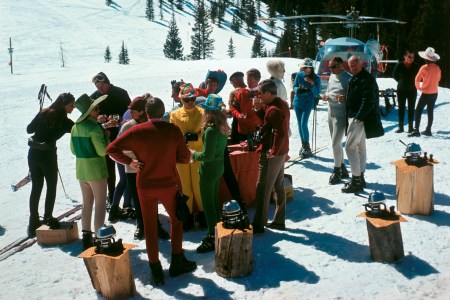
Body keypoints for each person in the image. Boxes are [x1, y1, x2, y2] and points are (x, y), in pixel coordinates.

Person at [106, 97, 196, 286]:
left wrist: (130, 162)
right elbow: (184, 157)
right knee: (176, 220)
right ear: (163, 113)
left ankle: (155, 269)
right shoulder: (173, 130)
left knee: (149, 226)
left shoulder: (137, 130)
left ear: (146, 113)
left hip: (145, 184)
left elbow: (111, 149)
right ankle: (177, 261)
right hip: (169, 184)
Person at [116, 95, 170, 240]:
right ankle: (141, 225)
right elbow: (119, 147)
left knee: (153, 199)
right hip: (133, 171)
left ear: (141, 111)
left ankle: (156, 225)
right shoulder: (128, 126)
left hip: (152, 169)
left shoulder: (154, 125)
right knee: (138, 199)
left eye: (133, 110)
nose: (130, 112)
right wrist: (132, 159)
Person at [26, 93, 75, 236]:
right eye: (71, 105)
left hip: (33, 154)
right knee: (51, 186)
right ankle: (48, 217)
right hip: (48, 156)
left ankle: (33, 221)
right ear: (64, 104)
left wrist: (41, 120)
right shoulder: (64, 121)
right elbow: (78, 129)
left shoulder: (44, 112)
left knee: (36, 187)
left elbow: (29, 129)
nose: (73, 108)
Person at [191, 94, 230, 252]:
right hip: (218, 168)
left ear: (209, 112)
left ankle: (212, 236)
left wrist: (193, 154)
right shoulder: (222, 128)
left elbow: (207, 155)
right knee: (214, 202)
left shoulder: (210, 131)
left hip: (208, 170)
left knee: (208, 205)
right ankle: (218, 230)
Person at [70, 94, 109, 249]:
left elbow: (73, 150)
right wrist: (106, 137)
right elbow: (103, 151)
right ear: (89, 112)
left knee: (87, 204)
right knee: (100, 204)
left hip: (82, 170)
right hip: (96, 171)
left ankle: (86, 237)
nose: (98, 110)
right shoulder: (94, 128)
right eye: (95, 108)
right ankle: (100, 238)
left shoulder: (75, 127)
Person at [252, 79, 290, 233]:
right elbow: (268, 122)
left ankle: (258, 225)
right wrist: (258, 109)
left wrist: (272, 151)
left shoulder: (273, 109)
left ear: (268, 93)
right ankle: (279, 221)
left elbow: (279, 133)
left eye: (260, 93)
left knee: (262, 189)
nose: (258, 96)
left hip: (272, 155)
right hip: (281, 153)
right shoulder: (280, 104)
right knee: (278, 187)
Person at [343, 55, 384, 193]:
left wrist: (358, 118)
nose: (352, 67)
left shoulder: (367, 79)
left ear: (361, 64)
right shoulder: (355, 77)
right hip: (354, 116)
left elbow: (368, 101)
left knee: (349, 147)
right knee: (360, 147)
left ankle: (356, 180)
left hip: (359, 118)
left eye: (355, 64)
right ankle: (360, 176)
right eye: (350, 65)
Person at [169, 83, 206, 231]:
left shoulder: (203, 113)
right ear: (181, 100)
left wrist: (195, 137)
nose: (190, 102)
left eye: (193, 99)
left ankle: (204, 216)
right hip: (182, 156)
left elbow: (207, 134)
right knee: (185, 187)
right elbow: (172, 135)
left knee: (199, 186)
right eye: (186, 100)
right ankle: (187, 216)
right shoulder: (175, 115)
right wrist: (180, 139)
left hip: (198, 155)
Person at [91, 72, 131, 205]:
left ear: (108, 83)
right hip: (104, 138)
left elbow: (129, 113)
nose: (100, 88)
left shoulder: (121, 93)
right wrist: (98, 119)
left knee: (125, 167)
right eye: (97, 86)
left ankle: (127, 196)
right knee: (109, 169)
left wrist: (115, 119)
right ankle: (112, 195)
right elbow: (89, 117)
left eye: (102, 84)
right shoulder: (94, 98)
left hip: (121, 136)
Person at [322, 57, 352, 185]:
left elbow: (353, 96)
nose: (331, 69)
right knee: (336, 142)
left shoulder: (348, 78)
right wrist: (326, 95)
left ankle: (337, 170)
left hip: (341, 114)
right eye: (329, 67)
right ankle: (343, 167)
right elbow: (329, 89)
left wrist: (344, 98)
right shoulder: (332, 76)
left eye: (333, 67)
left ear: (341, 65)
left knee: (335, 143)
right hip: (331, 112)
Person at [409, 47, 441, 137]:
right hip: (435, 92)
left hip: (426, 92)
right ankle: (428, 130)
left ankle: (416, 130)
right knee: (430, 111)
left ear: (426, 58)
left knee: (418, 110)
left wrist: (418, 87)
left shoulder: (425, 67)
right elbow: (438, 79)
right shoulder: (437, 67)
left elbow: (417, 79)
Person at [292, 58, 321, 158]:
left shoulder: (316, 78)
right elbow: (294, 86)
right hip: (297, 102)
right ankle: (303, 145)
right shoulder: (299, 75)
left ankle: (307, 146)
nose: (304, 70)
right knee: (300, 125)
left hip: (308, 103)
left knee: (304, 123)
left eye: (307, 68)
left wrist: (312, 84)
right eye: (303, 67)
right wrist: (297, 90)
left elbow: (317, 94)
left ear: (311, 68)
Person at [229, 68, 262, 142]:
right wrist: (238, 115)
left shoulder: (263, 93)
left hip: (258, 130)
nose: (248, 82)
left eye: (251, 80)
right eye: (247, 80)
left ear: (258, 80)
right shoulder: (241, 92)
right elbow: (233, 108)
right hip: (242, 131)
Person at [392, 50, 420, 133]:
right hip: (401, 90)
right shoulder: (400, 65)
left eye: (412, 57)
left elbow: (419, 77)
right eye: (409, 57)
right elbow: (394, 75)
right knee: (401, 108)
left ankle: (410, 127)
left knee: (411, 108)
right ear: (405, 57)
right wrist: (401, 81)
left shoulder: (416, 66)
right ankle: (400, 127)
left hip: (412, 90)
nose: (411, 59)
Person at [228, 71, 247, 145]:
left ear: (234, 80)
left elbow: (231, 111)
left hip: (238, 124)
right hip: (251, 124)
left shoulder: (234, 93)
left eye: (231, 82)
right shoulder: (250, 90)